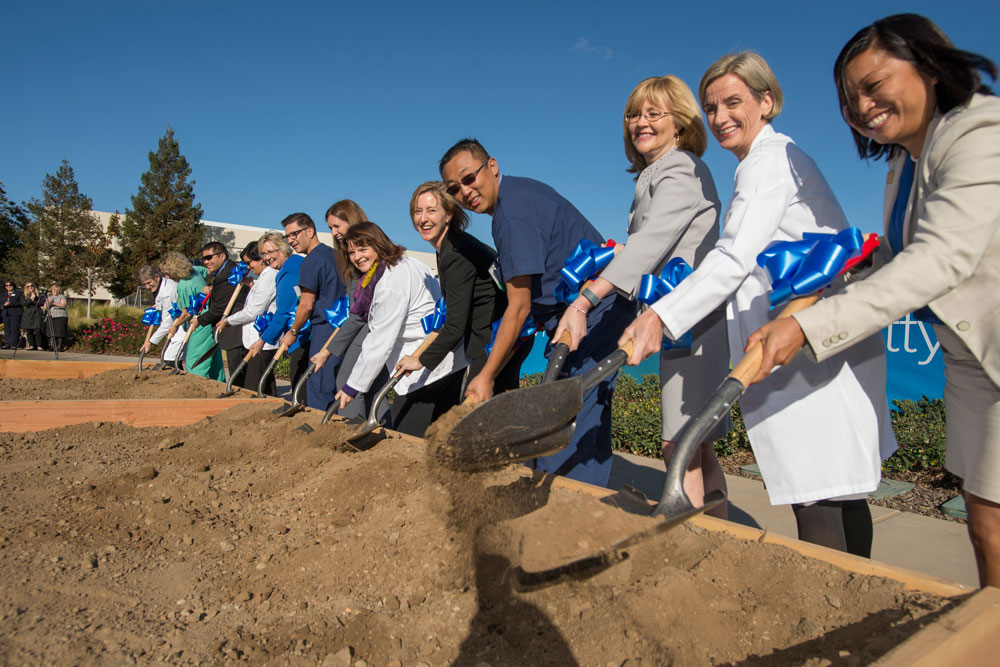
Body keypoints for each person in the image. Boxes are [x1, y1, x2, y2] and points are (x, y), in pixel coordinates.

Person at [748, 15, 1000, 585]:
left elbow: (938, 260)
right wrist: (844, 274)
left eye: (873, 85)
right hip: (967, 357)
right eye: (848, 98)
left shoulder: (980, 131)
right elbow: (896, 254)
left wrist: (807, 330)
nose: (861, 106)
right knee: (985, 521)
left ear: (930, 67)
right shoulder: (903, 162)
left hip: (993, 346)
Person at [619, 52, 896, 557]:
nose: (720, 116)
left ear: (766, 102)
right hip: (812, 342)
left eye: (733, 102)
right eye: (711, 106)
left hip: (806, 345)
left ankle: (830, 608)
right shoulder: (767, 160)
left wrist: (661, 316)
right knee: (839, 489)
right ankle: (857, 598)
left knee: (818, 492)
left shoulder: (767, 162)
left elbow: (732, 256)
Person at [552, 75, 730, 517]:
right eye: (634, 114)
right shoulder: (660, 171)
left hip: (692, 317)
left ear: (681, 122)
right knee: (697, 445)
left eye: (654, 113)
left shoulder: (682, 169)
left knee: (681, 442)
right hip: (678, 317)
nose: (640, 122)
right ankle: (722, 540)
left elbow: (650, 243)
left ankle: (687, 540)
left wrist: (584, 301)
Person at [439, 138, 633, 486]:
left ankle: (564, 511)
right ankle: (574, 503)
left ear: (492, 167)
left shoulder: (511, 217)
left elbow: (519, 306)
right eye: (455, 188)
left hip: (593, 314)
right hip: (589, 312)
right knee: (577, 417)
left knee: (562, 422)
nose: (465, 192)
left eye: (469, 179)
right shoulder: (520, 195)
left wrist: (486, 377)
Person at [315, 222, 467, 437]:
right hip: (447, 360)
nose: (357, 256)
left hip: (425, 369)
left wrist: (352, 387)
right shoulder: (405, 263)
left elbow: (380, 340)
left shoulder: (390, 283)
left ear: (378, 244)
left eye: (363, 249)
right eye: (351, 252)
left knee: (407, 437)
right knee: (440, 437)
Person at [397, 181, 529, 394]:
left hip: (495, 338)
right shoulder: (450, 245)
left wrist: (420, 360)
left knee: (475, 407)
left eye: (432, 211)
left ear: (448, 215)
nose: (423, 219)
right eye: (418, 211)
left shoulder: (457, 254)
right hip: (500, 335)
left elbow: (455, 325)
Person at [324, 199, 388, 421]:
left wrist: (329, 350)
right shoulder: (349, 259)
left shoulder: (367, 257)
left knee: (348, 380)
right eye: (330, 228)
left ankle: (350, 428)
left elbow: (360, 313)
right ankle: (382, 427)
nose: (334, 233)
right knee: (373, 385)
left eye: (337, 226)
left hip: (371, 327)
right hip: (364, 324)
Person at [279, 213, 346, 410]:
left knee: (319, 386)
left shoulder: (310, 261)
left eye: (294, 234)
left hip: (324, 329)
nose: (291, 240)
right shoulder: (336, 255)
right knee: (336, 382)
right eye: (287, 237)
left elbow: (306, 305)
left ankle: (320, 433)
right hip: (344, 328)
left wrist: (293, 331)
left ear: (310, 231)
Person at [217, 241, 278, 394]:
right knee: (265, 384)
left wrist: (227, 321)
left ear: (261, 259)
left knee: (253, 385)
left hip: (261, 340)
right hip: (256, 341)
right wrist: (251, 284)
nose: (248, 267)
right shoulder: (262, 278)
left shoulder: (269, 276)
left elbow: (253, 311)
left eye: (249, 263)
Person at [254, 231, 310, 393]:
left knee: (299, 381)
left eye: (271, 251)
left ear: (283, 249)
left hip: (303, 333)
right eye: (264, 253)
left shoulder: (289, 273)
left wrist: (262, 341)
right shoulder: (295, 264)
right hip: (304, 330)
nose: (267, 257)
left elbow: (283, 312)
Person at [160, 252, 224, 381]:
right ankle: (219, 386)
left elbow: (187, 312)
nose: (166, 277)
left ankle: (198, 389)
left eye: (167, 273)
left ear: (175, 270)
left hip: (200, 323)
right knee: (212, 360)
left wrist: (175, 326)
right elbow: (206, 271)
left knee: (196, 361)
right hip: (212, 320)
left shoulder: (184, 286)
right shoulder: (195, 271)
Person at [196, 241, 249, 384]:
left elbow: (220, 307)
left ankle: (240, 395)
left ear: (221, 256)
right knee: (237, 370)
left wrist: (199, 320)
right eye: (204, 259)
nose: (206, 262)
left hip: (235, 330)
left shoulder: (230, 274)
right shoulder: (223, 273)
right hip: (232, 330)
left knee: (238, 371)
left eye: (209, 258)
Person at [137, 265, 185, 368]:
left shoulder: (168, 292)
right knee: (169, 357)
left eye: (149, 283)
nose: (147, 287)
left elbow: (167, 323)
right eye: (144, 284)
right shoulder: (161, 287)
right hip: (176, 325)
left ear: (157, 277)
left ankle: (178, 382)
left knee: (170, 359)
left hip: (182, 325)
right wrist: (159, 307)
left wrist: (150, 342)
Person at [21, 282, 45, 350]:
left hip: (37, 313)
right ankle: (31, 345)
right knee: (29, 330)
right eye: (28, 286)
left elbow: (41, 303)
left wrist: (34, 299)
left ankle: (39, 345)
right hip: (28, 313)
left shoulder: (39, 295)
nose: (30, 287)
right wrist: (30, 299)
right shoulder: (23, 295)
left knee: (38, 330)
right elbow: (23, 304)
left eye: (32, 286)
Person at [44, 285, 68, 353]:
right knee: (51, 331)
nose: (55, 291)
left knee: (59, 332)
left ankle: (59, 346)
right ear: (51, 290)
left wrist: (53, 302)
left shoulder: (61, 296)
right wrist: (49, 303)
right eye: (54, 290)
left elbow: (63, 305)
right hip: (51, 315)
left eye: (57, 290)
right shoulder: (49, 297)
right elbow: (45, 306)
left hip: (60, 315)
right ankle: (51, 346)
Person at [3, 280, 24, 349]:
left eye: (10, 285)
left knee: (14, 329)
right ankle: (7, 344)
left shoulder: (18, 294)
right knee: (7, 329)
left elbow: (21, 303)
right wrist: (3, 304)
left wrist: (11, 304)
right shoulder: (3, 295)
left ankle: (14, 344)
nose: (8, 286)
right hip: (6, 313)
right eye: (7, 285)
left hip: (15, 313)